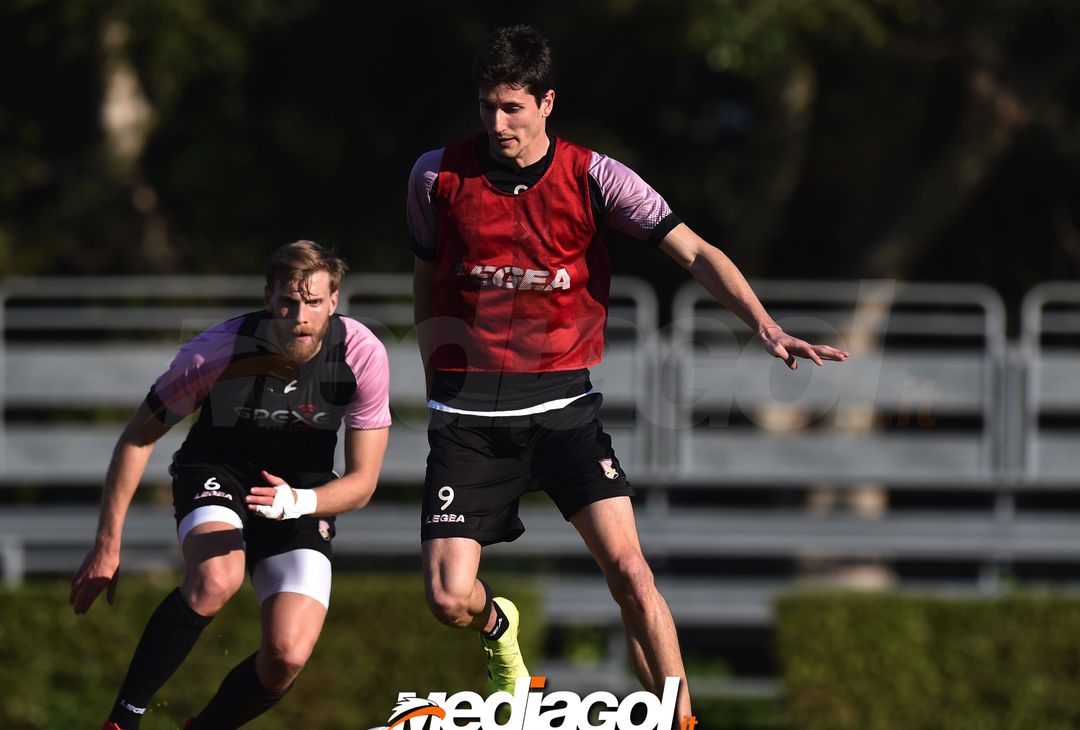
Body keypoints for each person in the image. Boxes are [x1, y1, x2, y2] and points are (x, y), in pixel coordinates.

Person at [407, 24, 849, 722]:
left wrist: (763, 325)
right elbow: (426, 277)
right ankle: (501, 632)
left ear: (546, 102)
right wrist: (436, 366)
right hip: (469, 418)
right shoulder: (436, 176)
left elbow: (696, 251)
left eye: (513, 107)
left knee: (633, 575)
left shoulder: (595, 177)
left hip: (563, 410)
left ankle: (680, 719)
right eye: (488, 106)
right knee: (447, 597)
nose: (498, 123)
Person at [69, 241, 392, 729]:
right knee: (217, 578)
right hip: (217, 474)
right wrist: (107, 546)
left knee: (287, 656)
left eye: (313, 302)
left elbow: (363, 483)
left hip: (300, 494)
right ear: (268, 299)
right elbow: (137, 438)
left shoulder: (362, 354)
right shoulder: (216, 351)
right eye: (287, 301)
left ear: (334, 300)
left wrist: (298, 502)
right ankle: (122, 720)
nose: (299, 316)